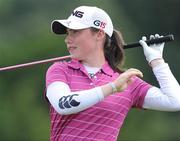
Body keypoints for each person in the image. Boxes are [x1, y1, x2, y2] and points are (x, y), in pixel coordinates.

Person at [45, 6, 180, 141]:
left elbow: (175, 101)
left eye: (75, 32)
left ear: (99, 34)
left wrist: (157, 61)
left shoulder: (127, 81)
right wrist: (113, 87)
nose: (67, 39)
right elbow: (62, 105)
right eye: (68, 33)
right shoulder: (59, 70)